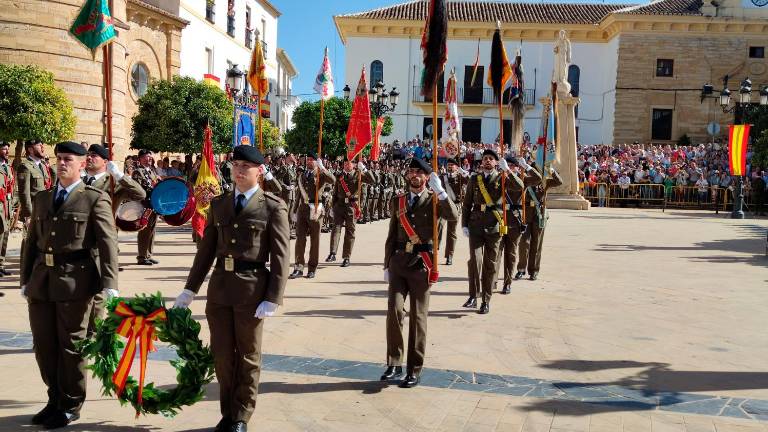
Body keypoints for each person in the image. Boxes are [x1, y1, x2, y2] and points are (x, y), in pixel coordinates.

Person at [174, 145, 289, 432]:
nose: (238, 171)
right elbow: (206, 251)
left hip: (252, 291)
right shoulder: (219, 204)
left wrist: (273, 297)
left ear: (259, 171)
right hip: (220, 289)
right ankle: (228, 412)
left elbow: (281, 256)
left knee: (248, 357)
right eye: (235, 165)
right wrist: (190, 289)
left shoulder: (273, 206)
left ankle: (241, 416)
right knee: (222, 355)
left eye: (245, 167)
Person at [21, 141, 119, 429]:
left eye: (69, 160)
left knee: (72, 346)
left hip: (76, 282)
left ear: (81, 164)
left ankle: (71, 403)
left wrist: (110, 283)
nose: (62, 163)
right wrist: (25, 278)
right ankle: (54, 398)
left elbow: (107, 242)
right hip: (42, 280)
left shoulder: (94, 199)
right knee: (44, 345)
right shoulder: (43, 198)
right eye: (59, 158)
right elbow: (31, 242)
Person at [381, 157, 457, 388]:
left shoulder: (435, 201)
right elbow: (392, 234)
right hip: (399, 263)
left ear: (426, 177)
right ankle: (394, 361)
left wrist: (442, 192)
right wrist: (386, 264)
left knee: (418, 316)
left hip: (422, 265)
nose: (414, 175)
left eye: (419, 172)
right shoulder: (399, 201)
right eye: (411, 171)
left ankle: (414, 368)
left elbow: (453, 215)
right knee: (394, 311)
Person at [83, 144, 146, 332]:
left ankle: (94, 332)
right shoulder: (79, 179)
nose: (89, 158)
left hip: (101, 239)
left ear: (105, 161)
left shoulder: (113, 183)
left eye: (94, 155)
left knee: (98, 291)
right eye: (88, 155)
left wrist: (119, 175)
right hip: (77, 240)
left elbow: (140, 194)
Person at [460, 150, 506, 314]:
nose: (487, 161)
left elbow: (520, 187)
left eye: (491, 159)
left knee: (490, 265)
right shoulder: (475, 179)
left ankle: (486, 300)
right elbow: (467, 204)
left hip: (494, 226)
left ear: (496, 162)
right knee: (475, 261)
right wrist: (464, 224)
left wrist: (507, 171)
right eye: (485, 158)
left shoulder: (502, 178)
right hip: (476, 225)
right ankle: (473, 295)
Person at [497, 156, 542, 293]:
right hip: (498, 218)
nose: (509, 167)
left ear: (517, 167)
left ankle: (507, 282)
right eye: (507, 165)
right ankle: (492, 280)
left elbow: (538, 179)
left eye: (512, 165)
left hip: (514, 221)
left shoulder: (522, 179)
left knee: (510, 254)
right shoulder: (499, 177)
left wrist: (527, 167)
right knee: (495, 253)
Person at [290, 153, 335, 279]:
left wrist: (323, 168)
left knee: (315, 240)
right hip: (303, 209)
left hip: (316, 209)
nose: (309, 162)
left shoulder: (321, 174)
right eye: (308, 160)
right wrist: (294, 211)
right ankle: (298, 267)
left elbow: (333, 180)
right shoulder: (302, 174)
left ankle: (312, 268)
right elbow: (299, 193)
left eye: (311, 160)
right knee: (300, 239)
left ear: (316, 162)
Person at [517, 165, 562, 280]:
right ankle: (521, 269)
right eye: (533, 171)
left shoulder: (545, 181)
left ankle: (534, 270)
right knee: (523, 243)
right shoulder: (525, 179)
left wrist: (551, 170)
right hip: (526, 214)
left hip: (539, 214)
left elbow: (559, 181)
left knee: (536, 244)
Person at [326, 159, 375, 266]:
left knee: (350, 232)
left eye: (349, 163)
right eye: (345, 163)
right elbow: (335, 192)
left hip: (352, 207)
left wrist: (365, 169)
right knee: (336, 229)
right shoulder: (339, 175)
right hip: (339, 205)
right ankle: (332, 253)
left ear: (353, 164)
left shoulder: (359, 175)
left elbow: (373, 181)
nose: (347, 165)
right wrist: (332, 207)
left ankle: (346, 257)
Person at [132, 149, 160, 265]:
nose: (149, 158)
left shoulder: (152, 171)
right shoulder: (138, 172)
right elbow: (138, 189)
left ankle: (148, 254)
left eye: (150, 157)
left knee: (152, 230)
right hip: (145, 204)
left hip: (153, 204)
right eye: (146, 157)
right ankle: (142, 256)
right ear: (140, 159)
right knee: (144, 230)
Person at [18, 139, 53, 225]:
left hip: (45, 209)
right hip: (34, 211)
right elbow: (24, 193)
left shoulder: (43, 166)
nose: (42, 147)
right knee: (32, 238)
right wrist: (29, 214)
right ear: (30, 149)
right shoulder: (25, 166)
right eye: (39, 145)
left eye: (42, 145)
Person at [440, 158, 468, 265]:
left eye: (452, 165)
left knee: (451, 232)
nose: (450, 166)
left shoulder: (460, 177)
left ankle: (449, 255)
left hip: (455, 206)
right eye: (449, 165)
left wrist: (464, 173)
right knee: (438, 226)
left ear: (457, 167)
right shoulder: (442, 177)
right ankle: (433, 250)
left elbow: (470, 182)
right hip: (443, 206)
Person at [0, 141, 16, 276]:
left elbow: (11, 187)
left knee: (5, 235)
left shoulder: (8, 167)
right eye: (4, 149)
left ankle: (1, 264)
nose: (6, 152)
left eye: (7, 149)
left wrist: (13, 206)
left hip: (7, 205)